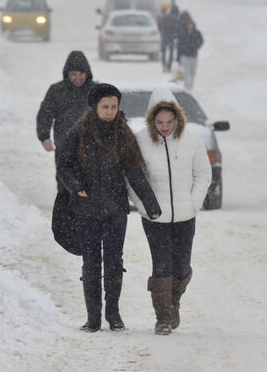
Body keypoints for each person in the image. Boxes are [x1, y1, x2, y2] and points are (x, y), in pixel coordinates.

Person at [57, 83, 162, 333]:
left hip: (116, 210)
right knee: (91, 263)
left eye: (114, 107)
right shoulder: (79, 132)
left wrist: (151, 205)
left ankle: (113, 314)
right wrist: (75, 185)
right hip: (86, 210)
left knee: (114, 262)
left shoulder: (123, 133)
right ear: (94, 107)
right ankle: (93, 318)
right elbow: (64, 165)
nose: (110, 111)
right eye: (105, 107)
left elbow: (135, 172)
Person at [134, 87, 211, 335]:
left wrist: (193, 203)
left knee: (181, 267)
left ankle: (173, 301)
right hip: (154, 217)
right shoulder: (141, 140)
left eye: (169, 122)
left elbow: (203, 174)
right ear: (151, 120)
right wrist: (146, 208)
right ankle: (163, 317)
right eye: (159, 122)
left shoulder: (192, 139)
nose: (164, 127)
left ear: (177, 118)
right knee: (162, 265)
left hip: (185, 216)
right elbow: (133, 180)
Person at [36, 50, 97, 190]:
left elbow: (108, 115)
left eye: (81, 74)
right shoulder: (56, 90)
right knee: (65, 182)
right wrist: (44, 137)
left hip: (91, 146)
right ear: (67, 74)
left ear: (87, 74)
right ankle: (66, 207)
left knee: (90, 181)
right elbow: (45, 114)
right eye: (73, 74)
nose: (77, 78)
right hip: (64, 144)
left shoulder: (95, 91)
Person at [176, 11, 204, 90]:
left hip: (193, 55)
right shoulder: (183, 33)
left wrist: (196, 46)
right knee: (186, 71)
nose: (190, 26)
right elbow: (179, 45)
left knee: (193, 72)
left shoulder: (196, 33)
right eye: (188, 24)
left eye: (191, 24)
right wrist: (178, 56)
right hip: (184, 55)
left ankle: (191, 86)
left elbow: (201, 41)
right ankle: (186, 86)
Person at [157, 5, 179, 73]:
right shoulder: (175, 19)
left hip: (164, 37)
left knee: (163, 53)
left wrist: (162, 32)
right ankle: (169, 67)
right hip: (171, 37)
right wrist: (175, 36)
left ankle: (164, 66)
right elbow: (176, 29)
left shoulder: (163, 18)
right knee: (171, 53)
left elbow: (159, 26)